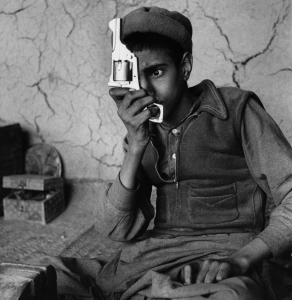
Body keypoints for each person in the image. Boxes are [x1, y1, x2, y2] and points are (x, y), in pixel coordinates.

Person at [47, 6, 292, 300]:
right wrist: (135, 146)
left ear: (185, 66)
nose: (145, 88)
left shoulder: (236, 111)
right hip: (157, 256)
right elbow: (116, 230)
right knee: (50, 279)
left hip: (230, 253)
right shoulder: (141, 130)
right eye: (135, 77)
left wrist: (242, 259)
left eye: (157, 72)